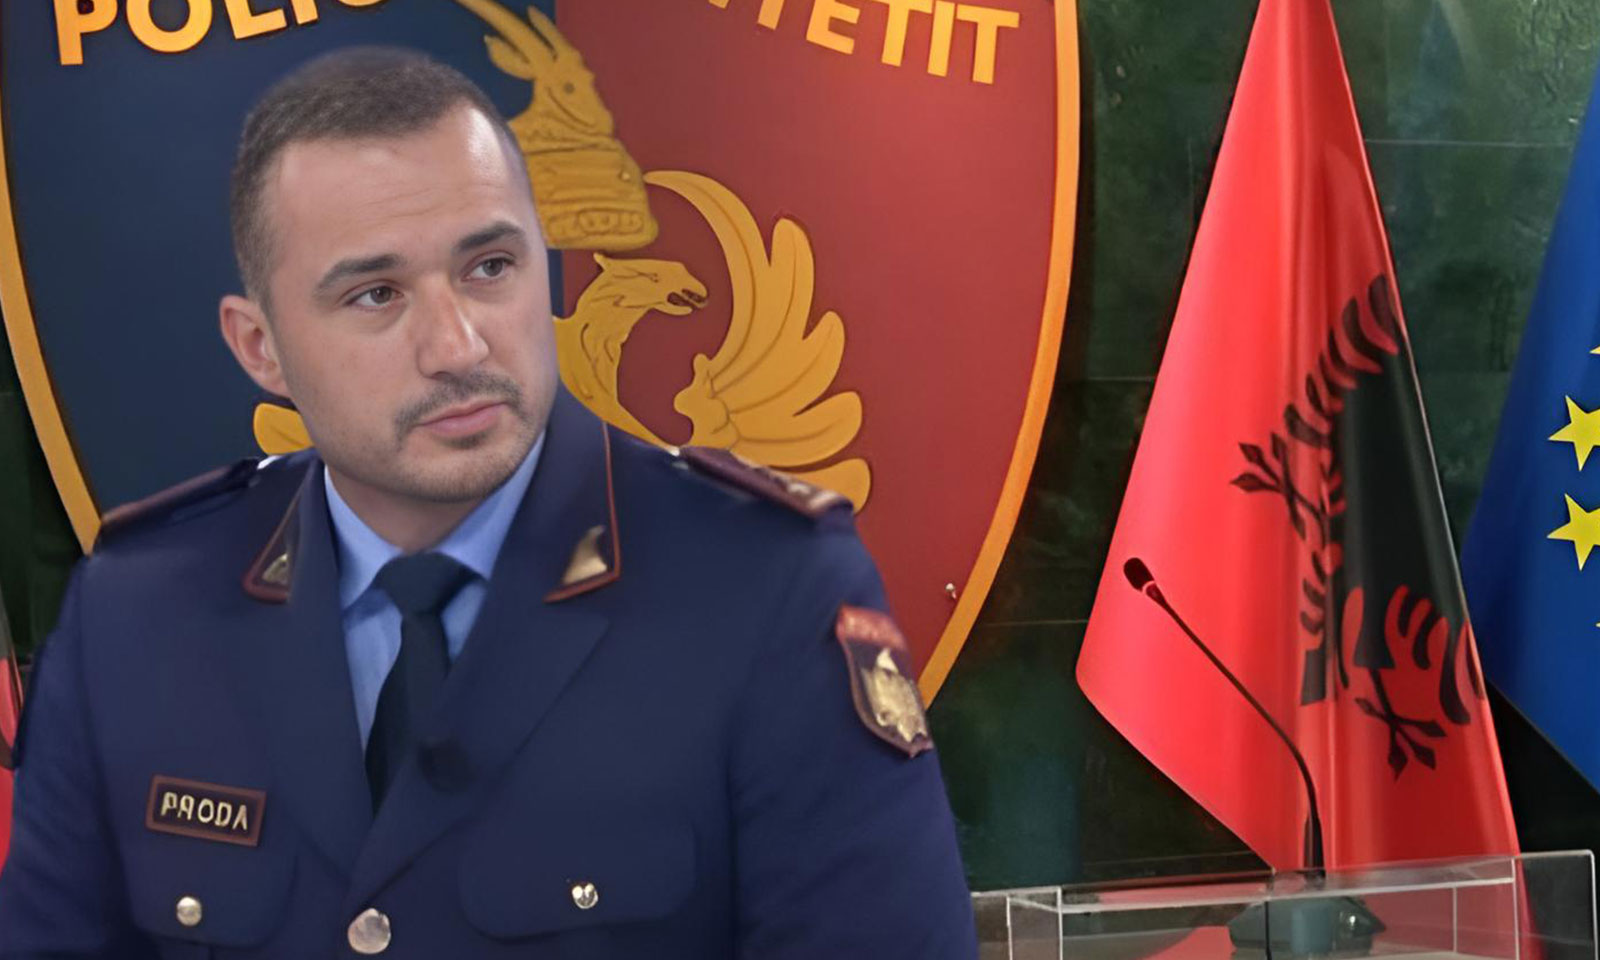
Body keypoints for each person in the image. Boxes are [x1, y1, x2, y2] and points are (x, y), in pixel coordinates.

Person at [0, 49, 976, 958]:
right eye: (376, 295)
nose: (458, 345)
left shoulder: (766, 592)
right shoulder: (135, 621)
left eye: (490, 268)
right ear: (260, 349)